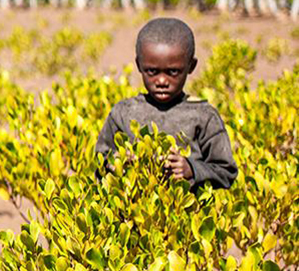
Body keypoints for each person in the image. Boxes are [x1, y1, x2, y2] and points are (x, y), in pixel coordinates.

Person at [94, 16, 237, 190]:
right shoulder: (124, 112)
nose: (162, 80)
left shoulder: (204, 116)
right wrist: (118, 162)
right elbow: (101, 160)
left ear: (191, 66)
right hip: (131, 212)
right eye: (152, 71)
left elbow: (226, 172)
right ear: (139, 65)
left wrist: (191, 169)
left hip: (187, 214)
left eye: (173, 71)